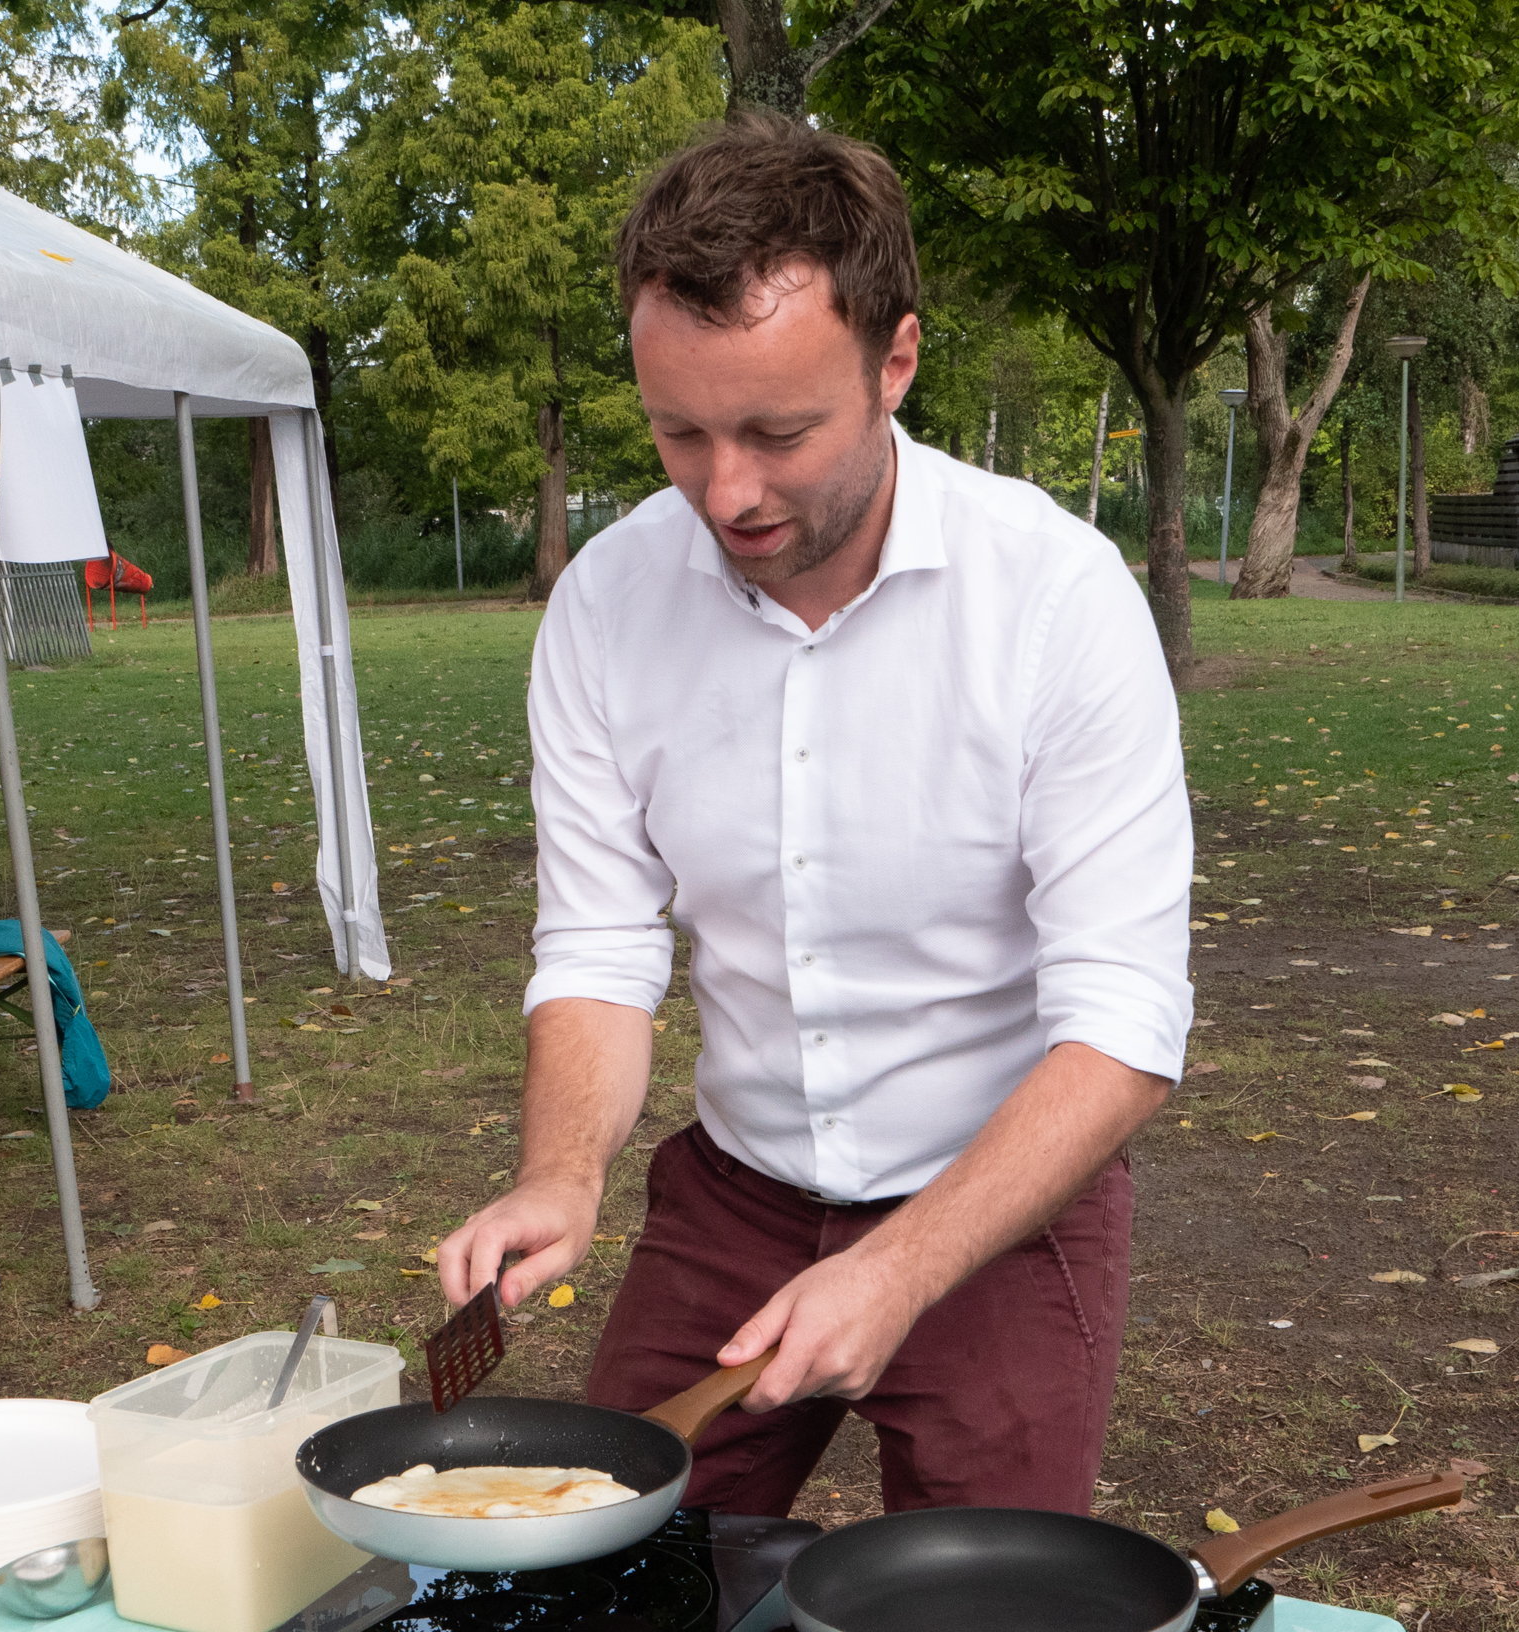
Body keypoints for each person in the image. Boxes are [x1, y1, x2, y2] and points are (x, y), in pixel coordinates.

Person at [438, 116, 1191, 1519]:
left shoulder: (1057, 602)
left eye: (780, 432)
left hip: (998, 1215)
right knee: (613, 1571)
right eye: (680, 432)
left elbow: (1125, 1026)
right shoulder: (607, 604)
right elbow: (599, 945)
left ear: (895, 360)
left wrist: (900, 1267)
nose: (726, 491)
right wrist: (560, 1175)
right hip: (732, 1202)